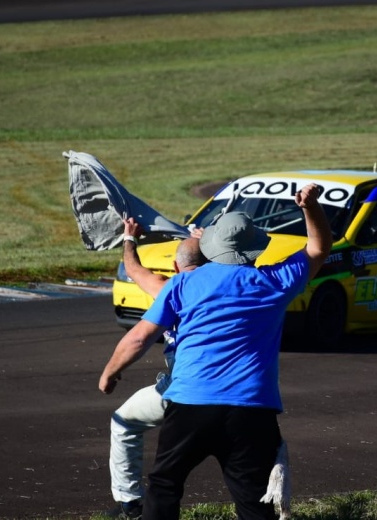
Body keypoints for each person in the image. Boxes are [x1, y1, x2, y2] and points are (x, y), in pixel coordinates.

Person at [99, 183, 332, 520]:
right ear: (255, 249)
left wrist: (110, 371)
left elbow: (139, 337)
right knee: (255, 499)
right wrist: (310, 207)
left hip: (190, 404)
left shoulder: (181, 284)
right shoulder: (275, 282)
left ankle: (131, 505)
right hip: (251, 409)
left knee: (164, 486)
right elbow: (319, 247)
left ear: (212, 249)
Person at [105, 220, 207, 519]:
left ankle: (131, 505)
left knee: (124, 423)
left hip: (183, 391)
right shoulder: (236, 286)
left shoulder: (169, 287)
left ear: (176, 266)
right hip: (237, 391)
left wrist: (128, 238)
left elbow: (134, 270)